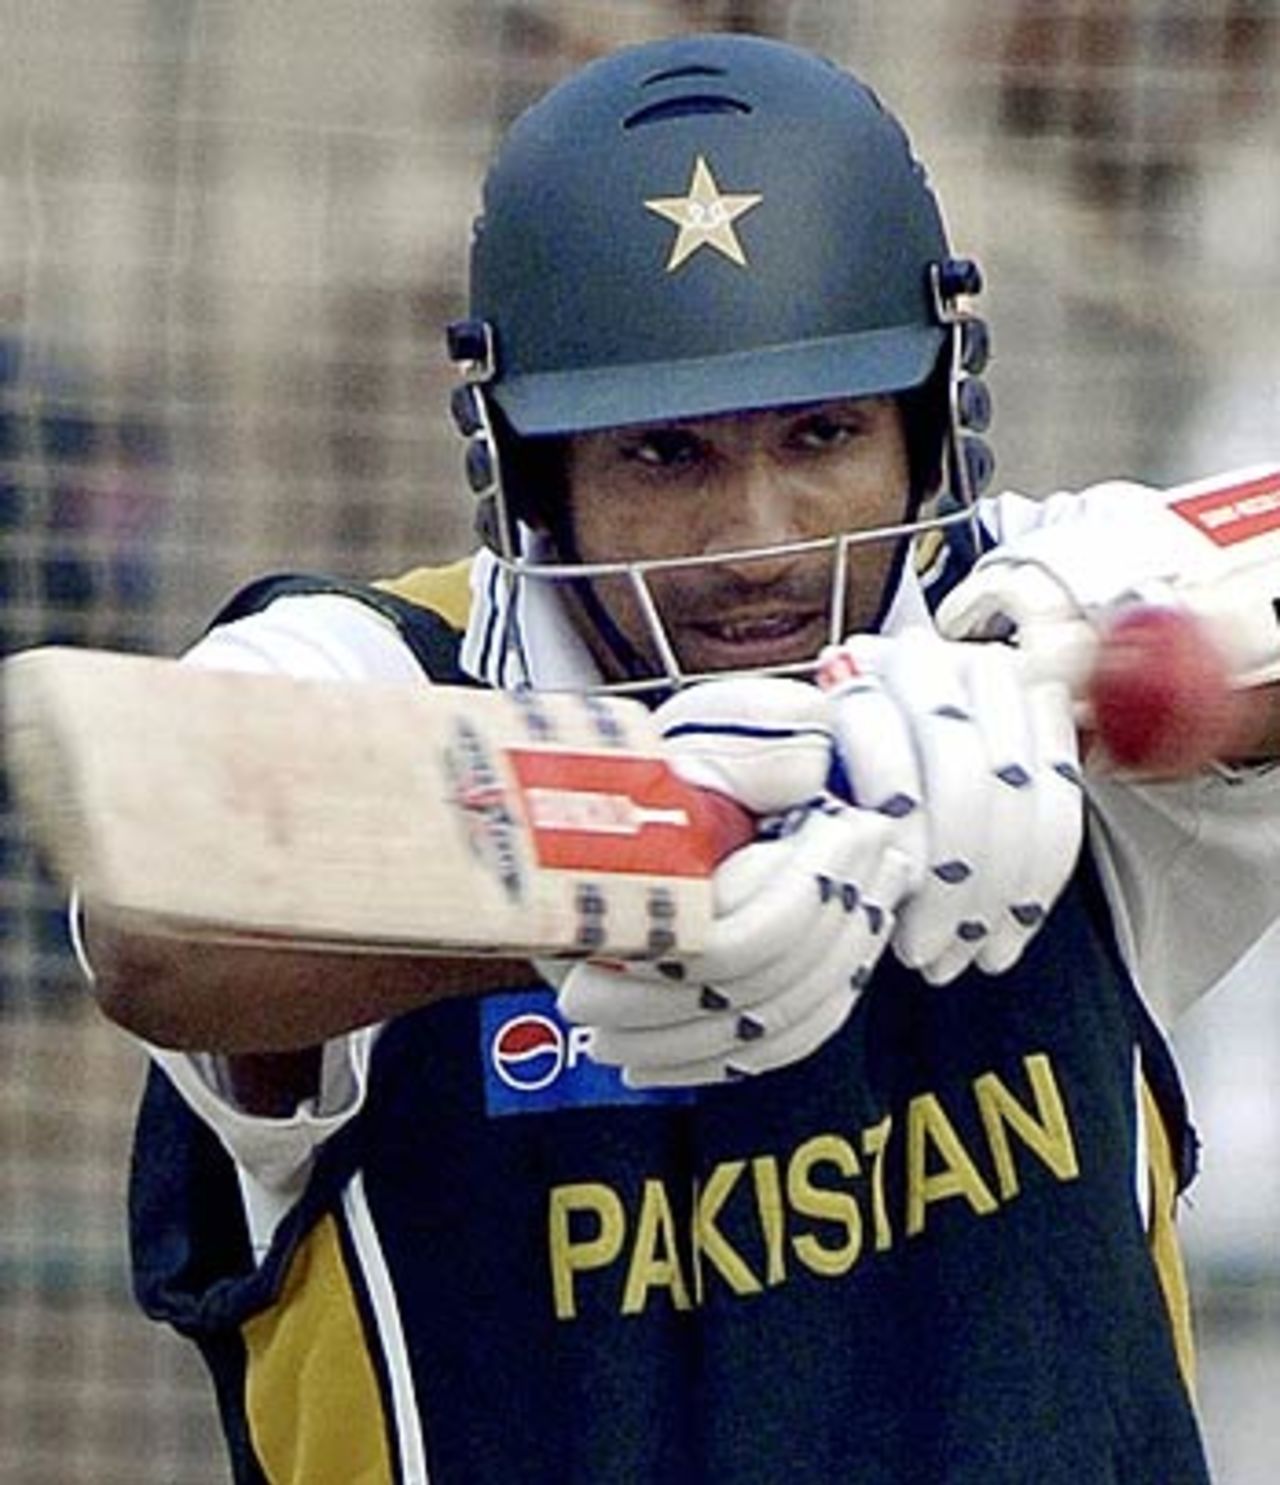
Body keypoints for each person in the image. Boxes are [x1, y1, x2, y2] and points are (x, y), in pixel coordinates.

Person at [76, 32, 1280, 1485]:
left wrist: (1148, 634)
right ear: (526, 466)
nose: (758, 538)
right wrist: (641, 855)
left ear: (929, 411)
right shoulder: (381, 668)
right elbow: (156, 903)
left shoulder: (1015, 618)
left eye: (824, 431)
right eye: (663, 457)